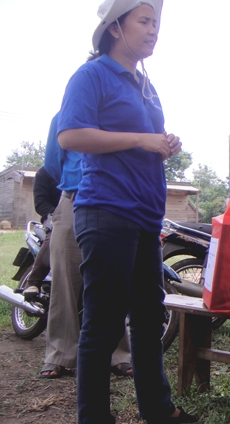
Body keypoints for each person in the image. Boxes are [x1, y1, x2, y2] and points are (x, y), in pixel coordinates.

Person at [56, 0, 197, 423]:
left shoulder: (146, 84)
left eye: (157, 22)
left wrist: (162, 142)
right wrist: (141, 138)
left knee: (148, 317)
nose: (154, 29)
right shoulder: (92, 74)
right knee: (102, 324)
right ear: (116, 27)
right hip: (107, 211)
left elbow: (143, 142)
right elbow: (71, 134)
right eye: (144, 21)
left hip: (144, 215)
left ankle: (159, 411)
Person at [39, 112, 132, 380]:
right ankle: (59, 355)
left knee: (112, 280)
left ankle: (119, 354)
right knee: (64, 280)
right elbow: (53, 163)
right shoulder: (64, 116)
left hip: (113, 200)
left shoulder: (118, 113)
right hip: (72, 197)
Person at [19, 166, 60, 300]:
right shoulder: (45, 173)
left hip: (80, 217)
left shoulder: (78, 169)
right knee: (56, 235)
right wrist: (58, 215)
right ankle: (33, 282)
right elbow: (40, 203)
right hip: (52, 218)